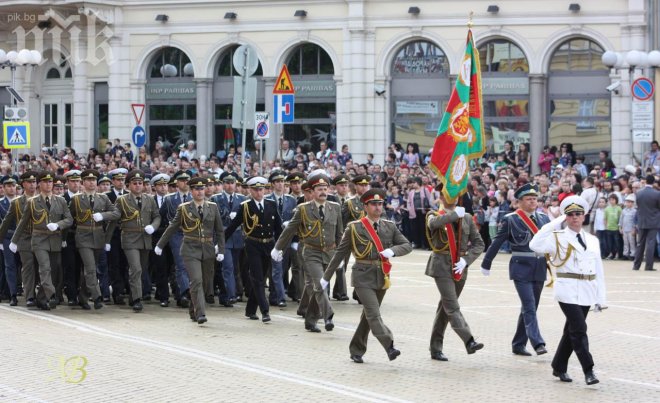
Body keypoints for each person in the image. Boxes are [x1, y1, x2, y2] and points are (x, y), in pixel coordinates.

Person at [321, 189, 412, 363]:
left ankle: (356, 349)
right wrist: (326, 277)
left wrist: (392, 251)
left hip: (382, 275)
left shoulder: (389, 226)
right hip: (362, 275)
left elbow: (407, 245)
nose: (378, 207)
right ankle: (389, 345)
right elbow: (340, 253)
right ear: (365, 206)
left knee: (368, 317)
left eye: (380, 204)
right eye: (373, 204)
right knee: (373, 313)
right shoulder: (355, 227)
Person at [529, 195, 606, 385]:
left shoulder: (592, 240)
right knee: (579, 329)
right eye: (570, 214)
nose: (575, 218)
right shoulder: (557, 238)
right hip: (567, 290)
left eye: (579, 214)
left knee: (571, 331)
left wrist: (600, 298)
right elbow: (534, 245)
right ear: (565, 217)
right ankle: (589, 370)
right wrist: (555, 222)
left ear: (584, 216)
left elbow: (599, 271)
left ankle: (558, 366)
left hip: (588, 290)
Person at [481, 183, 549, 356]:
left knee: (530, 307)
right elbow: (497, 241)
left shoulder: (544, 219)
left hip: (539, 267)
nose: (533, 202)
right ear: (519, 202)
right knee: (529, 305)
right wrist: (486, 262)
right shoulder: (511, 219)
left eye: (535, 198)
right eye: (529, 199)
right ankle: (538, 342)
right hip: (521, 267)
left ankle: (518, 344)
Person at [272, 174, 342, 332]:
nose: (323, 192)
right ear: (312, 191)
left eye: (325, 189)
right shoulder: (303, 209)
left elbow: (339, 234)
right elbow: (290, 230)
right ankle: (327, 315)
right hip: (311, 253)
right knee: (320, 284)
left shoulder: (335, 207)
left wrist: (340, 255)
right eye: (319, 189)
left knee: (315, 286)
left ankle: (310, 320)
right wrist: (278, 247)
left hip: (329, 252)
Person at [425, 183, 485, 361]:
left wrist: (467, 260)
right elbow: (433, 224)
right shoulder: (434, 214)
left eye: (454, 194)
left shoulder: (466, 217)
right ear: (441, 197)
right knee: (452, 306)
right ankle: (469, 340)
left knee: (445, 309)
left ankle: (435, 348)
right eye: (446, 194)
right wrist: (453, 215)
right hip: (441, 265)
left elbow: (479, 243)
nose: (451, 197)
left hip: (460, 266)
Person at [156, 177, 225, 324]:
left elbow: (219, 230)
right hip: (190, 248)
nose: (200, 192)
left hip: (208, 248)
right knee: (196, 280)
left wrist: (221, 250)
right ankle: (201, 313)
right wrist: (160, 245)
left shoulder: (212, 207)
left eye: (202, 189)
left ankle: (193, 309)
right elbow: (172, 227)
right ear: (191, 190)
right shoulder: (184, 208)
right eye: (196, 189)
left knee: (206, 283)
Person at [10, 171, 73, 311]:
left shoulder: (60, 200)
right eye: (45, 182)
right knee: (45, 268)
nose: (48, 184)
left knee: (54, 269)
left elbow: (69, 219)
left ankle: (42, 298)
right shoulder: (32, 202)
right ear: (40, 184)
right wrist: (14, 241)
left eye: (50, 182)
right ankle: (51, 295)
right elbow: (22, 222)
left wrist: (58, 225)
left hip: (55, 239)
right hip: (38, 239)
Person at [225, 176, 282, 323]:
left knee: (261, 277)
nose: (259, 193)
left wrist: (280, 247)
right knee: (257, 279)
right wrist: (219, 242)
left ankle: (250, 309)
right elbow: (232, 226)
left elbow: (278, 228)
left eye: (261, 189)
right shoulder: (245, 206)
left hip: (268, 244)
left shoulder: (271, 204)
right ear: (250, 190)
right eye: (255, 190)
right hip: (253, 245)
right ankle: (265, 310)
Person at [107, 169, 161, 312]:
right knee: (135, 268)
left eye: (140, 183)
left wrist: (153, 226)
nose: (138, 185)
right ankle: (137, 298)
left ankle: (132, 294)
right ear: (128, 185)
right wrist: (102, 218)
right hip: (129, 238)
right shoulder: (122, 200)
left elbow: (157, 216)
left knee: (140, 269)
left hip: (145, 238)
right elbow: (115, 216)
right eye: (134, 183)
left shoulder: (149, 199)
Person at [70, 169, 120, 310]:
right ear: (83, 182)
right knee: (90, 267)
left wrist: (103, 216)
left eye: (93, 180)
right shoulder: (76, 199)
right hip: (83, 236)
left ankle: (83, 297)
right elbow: (69, 218)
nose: (91, 182)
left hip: (98, 237)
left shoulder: (103, 198)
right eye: (88, 180)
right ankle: (97, 296)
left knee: (91, 270)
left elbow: (116, 213)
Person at [632, 175, 660, 271]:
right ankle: (648, 266)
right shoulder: (657, 194)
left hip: (642, 220)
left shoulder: (638, 193)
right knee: (650, 243)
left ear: (645, 181)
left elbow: (638, 206)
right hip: (653, 221)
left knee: (640, 243)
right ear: (653, 182)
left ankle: (636, 265)